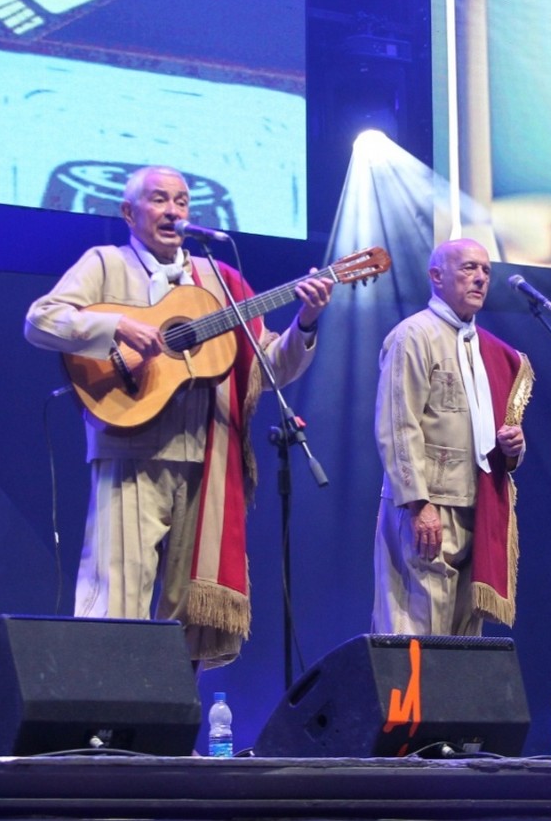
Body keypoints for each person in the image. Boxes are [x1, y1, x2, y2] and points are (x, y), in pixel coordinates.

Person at [24, 165, 333, 668]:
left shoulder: (220, 281)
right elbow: (41, 320)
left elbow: (270, 366)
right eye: (159, 200)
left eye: (182, 202)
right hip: (131, 450)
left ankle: (168, 727)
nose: (173, 211)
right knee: (117, 593)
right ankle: (104, 724)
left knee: (184, 610)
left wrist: (307, 320)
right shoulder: (106, 263)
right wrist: (118, 325)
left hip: (205, 460)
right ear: (129, 212)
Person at [372, 238, 533, 636]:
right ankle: (413, 702)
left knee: (464, 637)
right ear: (436, 276)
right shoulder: (415, 335)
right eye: (468, 268)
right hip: (428, 505)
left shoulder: (489, 350)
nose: (480, 278)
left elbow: (490, 426)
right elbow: (397, 424)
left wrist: (514, 447)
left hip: (477, 503)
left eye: (486, 271)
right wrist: (417, 503)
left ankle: (453, 702)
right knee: (418, 626)